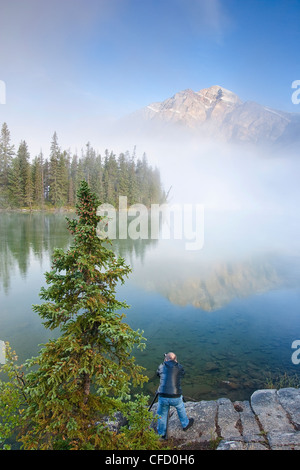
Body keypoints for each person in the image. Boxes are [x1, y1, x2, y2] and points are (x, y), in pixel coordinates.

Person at [156, 352, 194, 438]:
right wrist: (176, 363)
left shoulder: (161, 366)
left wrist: (164, 362)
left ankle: (161, 433)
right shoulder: (179, 367)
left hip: (163, 395)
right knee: (180, 407)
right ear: (175, 359)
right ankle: (185, 424)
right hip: (175, 396)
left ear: (166, 359)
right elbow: (182, 374)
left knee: (161, 413)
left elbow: (158, 374)